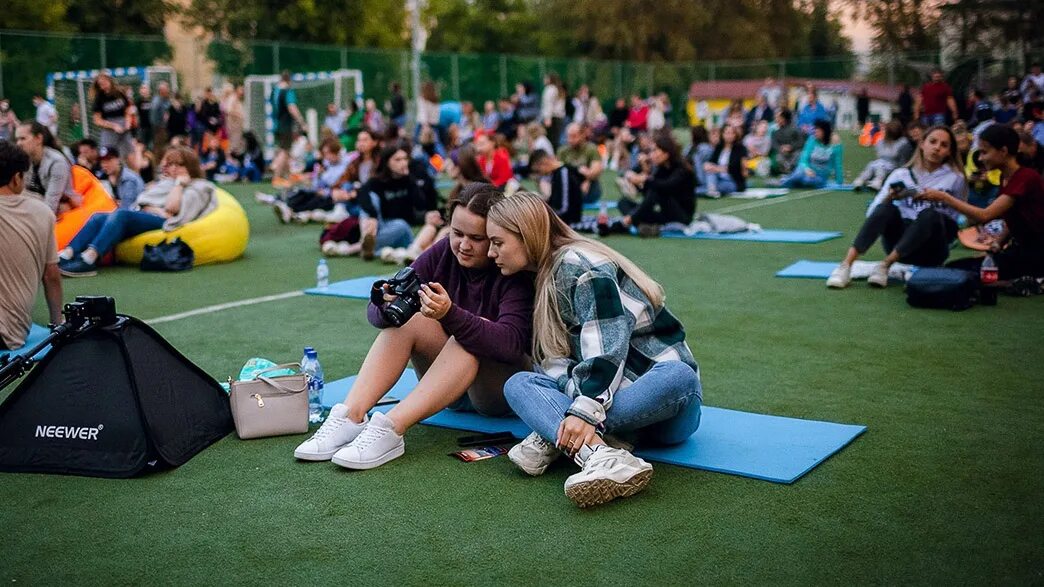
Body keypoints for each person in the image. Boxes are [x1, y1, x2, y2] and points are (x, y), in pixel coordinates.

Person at [293, 183, 534, 469]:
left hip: (495, 393)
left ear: (496, 237)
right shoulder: (445, 250)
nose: (464, 245)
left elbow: (513, 343)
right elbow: (383, 314)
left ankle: (391, 428)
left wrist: (451, 315)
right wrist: (385, 301)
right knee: (412, 317)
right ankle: (350, 416)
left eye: (477, 238)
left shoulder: (510, 264)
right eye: (457, 233)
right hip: (450, 389)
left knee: (470, 333)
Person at [485, 192, 701, 508]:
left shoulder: (579, 265)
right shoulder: (538, 278)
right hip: (610, 408)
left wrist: (583, 410)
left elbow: (607, 349)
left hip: (661, 408)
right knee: (519, 383)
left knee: (679, 375)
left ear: (526, 235)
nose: (491, 252)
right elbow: (555, 363)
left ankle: (559, 436)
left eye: (497, 242)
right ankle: (601, 454)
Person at [827, 125, 967, 289]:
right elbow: (872, 213)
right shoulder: (901, 174)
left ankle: (885, 265)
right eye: (933, 142)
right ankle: (845, 265)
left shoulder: (955, 178)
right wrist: (890, 197)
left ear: (949, 152)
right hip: (899, 240)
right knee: (886, 207)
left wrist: (943, 198)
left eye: (944, 145)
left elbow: (961, 219)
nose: (937, 148)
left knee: (930, 214)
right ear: (922, 144)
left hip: (932, 246)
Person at [57, 146, 218, 277]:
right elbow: (144, 201)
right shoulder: (167, 183)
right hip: (149, 214)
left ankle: (90, 258)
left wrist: (179, 185)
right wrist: (151, 206)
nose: (174, 169)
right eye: (171, 164)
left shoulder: (197, 187)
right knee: (98, 217)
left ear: (190, 166)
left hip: (162, 221)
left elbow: (172, 210)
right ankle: (67, 253)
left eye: (179, 165)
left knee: (121, 215)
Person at [921, 124, 1044, 280]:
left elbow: (985, 216)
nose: (980, 158)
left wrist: (944, 197)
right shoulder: (1005, 177)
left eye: (984, 152)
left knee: (971, 275)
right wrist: (997, 245)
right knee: (955, 268)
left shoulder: (1026, 177)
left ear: (1003, 152)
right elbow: (1014, 219)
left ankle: (1028, 281)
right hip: (1020, 250)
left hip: (1036, 254)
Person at [0, 141, 63, 351]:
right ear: (17, 177)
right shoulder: (42, 212)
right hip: (11, 334)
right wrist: (58, 324)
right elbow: (51, 275)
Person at [357, 143, 437, 260]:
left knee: (401, 225)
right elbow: (362, 195)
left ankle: (364, 248)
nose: (403, 163)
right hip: (379, 226)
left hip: (398, 230)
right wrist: (373, 216)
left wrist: (410, 180)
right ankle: (368, 241)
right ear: (387, 162)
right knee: (371, 198)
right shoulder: (377, 181)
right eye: (398, 160)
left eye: (405, 159)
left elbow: (421, 205)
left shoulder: (409, 181)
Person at [619, 133, 696, 230]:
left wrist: (645, 179)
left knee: (658, 190)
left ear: (666, 153)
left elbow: (667, 186)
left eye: (655, 151)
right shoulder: (661, 168)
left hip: (681, 217)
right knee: (623, 203)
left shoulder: (682, 169)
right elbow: (647, 195)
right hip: (665, 215)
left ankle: (630, 220)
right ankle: (639, 223)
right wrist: (645, 170)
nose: (651, 155)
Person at [14, 122, 78, 214]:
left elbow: (50, 207)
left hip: (57, 213)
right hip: (36, 206)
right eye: (17, 139)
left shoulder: (56, 162)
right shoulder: (26, 159)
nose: (18, 143)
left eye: (23, 138)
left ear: (39, 138)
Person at [779, 119, 843, 189]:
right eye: (815, 130)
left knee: (807, 180)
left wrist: (839, 182)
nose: (815, 132)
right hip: (807, 170)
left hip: (819, 175)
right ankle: (782, 183)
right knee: (798, 174)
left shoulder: (835, 143)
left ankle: (790, 181)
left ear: (825, 132)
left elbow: (837, 164)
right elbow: (803, 158)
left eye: (818, 131)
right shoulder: (812, 139)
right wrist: (806, 169)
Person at [528, 149, 584, 225]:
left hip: (568, 222)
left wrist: (544, 215)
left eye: (538, 170)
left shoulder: (563, 172)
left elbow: (563, 209)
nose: (539, 174)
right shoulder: (557, 173)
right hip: (563, 218)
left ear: (543, 162)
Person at [270, 71, 307, 180]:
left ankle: (287, 175)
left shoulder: (274, 90)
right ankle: (276, 176)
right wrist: (302, 122)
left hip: (275, 125)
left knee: (286, 149)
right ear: (289, 80)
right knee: (285, 150)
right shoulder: (287, 91)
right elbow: (292, 107)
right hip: (285, 125)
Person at [852, 120, 909, 191]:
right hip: (881, 162)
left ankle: (878, 181)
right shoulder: (881, 142)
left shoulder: (902, 142)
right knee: (872, 164)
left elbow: (893, 155)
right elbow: (880, 154)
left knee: (880, 165)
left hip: (893, 165)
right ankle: (861, 180)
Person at [556, 123, 604, 204]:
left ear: (582, 135)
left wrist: (587, 179)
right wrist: (578, 171)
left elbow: (596, 171)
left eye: (574, 136)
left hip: (590, 188)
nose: (570, 140)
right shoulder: (562, 151)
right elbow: (557, 171)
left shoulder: (591, 149)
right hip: (569, 185)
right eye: (569, 136)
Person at [91, 73, 134, 157]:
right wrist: (113, 126)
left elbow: (128, 109)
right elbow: (97, 120)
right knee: (106, 154)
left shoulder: (119, 93)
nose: (103, 85)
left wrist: (128, 122)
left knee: (130, 155)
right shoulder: (99, 98)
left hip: (124, 126)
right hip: (109, 128)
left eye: (105, 82)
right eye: (101, 84)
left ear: (110, 80)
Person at [704, 125, 748, 197]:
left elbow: (736, 168)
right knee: (710, 173)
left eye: (732, 133)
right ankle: (711, 190)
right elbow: (711, 162)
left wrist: (717, 169)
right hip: (717, 178)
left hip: (732, 181)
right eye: (727, 133)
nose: (729, 136)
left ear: (735, 135)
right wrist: (707, 165)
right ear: (722, 134)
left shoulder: (740, 149)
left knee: (707, 186)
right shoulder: (719, 147)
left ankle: (708, 190)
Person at [771, 109, 804, 176]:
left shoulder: (795, 129)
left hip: (794, 153)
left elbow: (801, 142)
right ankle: (788, 171)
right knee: (778, 157)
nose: (776, 119)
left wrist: (790, 147)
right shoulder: (775, 131)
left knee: (799, 154)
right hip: (782, 153)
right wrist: (781, 148)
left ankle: (789, 170)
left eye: (778, 117)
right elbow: (774, 144)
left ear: (783, 119)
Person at [541, 74, 567, 150]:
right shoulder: (559, 89)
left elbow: (548, 104)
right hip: (559, 118)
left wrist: (547, 118)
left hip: (552, 118)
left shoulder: (550, 89)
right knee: (556, 139)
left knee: (550, 140)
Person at [222, 84, 245, 156]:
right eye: (241, 89)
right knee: (233, 145)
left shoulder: (237, 99)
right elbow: (228, 110)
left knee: (239, 145)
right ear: (237, 90)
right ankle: (229, 161)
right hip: (234, 127)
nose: (243, 91)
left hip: (238, 127)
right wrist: (238, 115)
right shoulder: (233, 98)